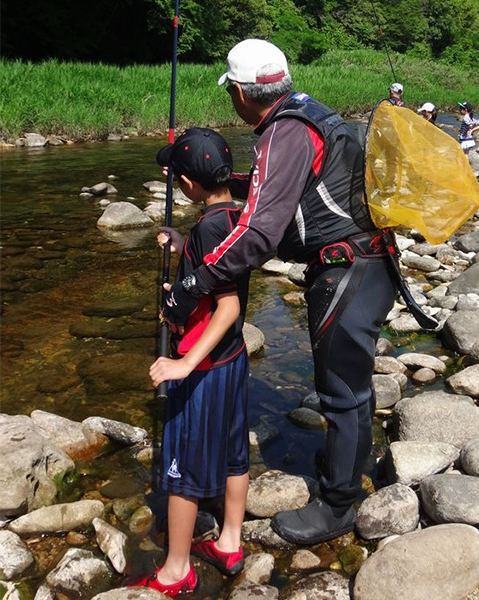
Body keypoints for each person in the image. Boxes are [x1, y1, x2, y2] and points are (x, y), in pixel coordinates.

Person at [161, 39, 397, 546]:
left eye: (232, 93)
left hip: (347, 270)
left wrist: (196, 281)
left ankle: (337, 508)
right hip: (369, 264)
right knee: (350, 384)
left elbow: (260, 235)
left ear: (243, 94)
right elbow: (279, 188)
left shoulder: (283, 132)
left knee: (341, 392)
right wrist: (218, 181)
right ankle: (348, 467)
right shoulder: (306, 111)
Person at [128, 128, 250, 595]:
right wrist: (184, 245)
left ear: (189, 184)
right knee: (235, 454)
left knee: (180, 473)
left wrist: (182, 364)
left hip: (201, 368)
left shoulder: (208, 229)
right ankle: (230, 542)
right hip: (233, 360)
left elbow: (228, 307)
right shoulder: (231, 217)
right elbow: (219, 276)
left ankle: (177, 570)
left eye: (176, 175)